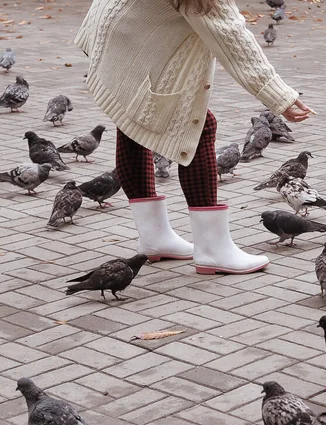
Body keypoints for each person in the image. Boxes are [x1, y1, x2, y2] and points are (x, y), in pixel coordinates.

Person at [75, 0, 313, 274]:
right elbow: (230, 34)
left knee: (135, 120)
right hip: (130, 37)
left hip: (120, 30)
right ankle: (213, 251)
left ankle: (154, 239)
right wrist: (278, 94)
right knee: (200, 126)